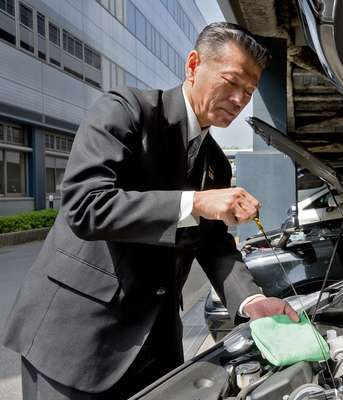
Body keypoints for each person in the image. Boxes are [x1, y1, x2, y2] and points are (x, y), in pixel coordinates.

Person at [2, 22, 299, 399]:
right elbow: (85, 207)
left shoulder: (216, 164)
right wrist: (194, 202)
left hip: (156, 345)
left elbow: (214, 245)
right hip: (77, 339)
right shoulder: (126, 111)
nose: (240, 100)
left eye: (250, 91)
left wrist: (252, 301)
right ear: (193, 65)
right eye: (232, 81)